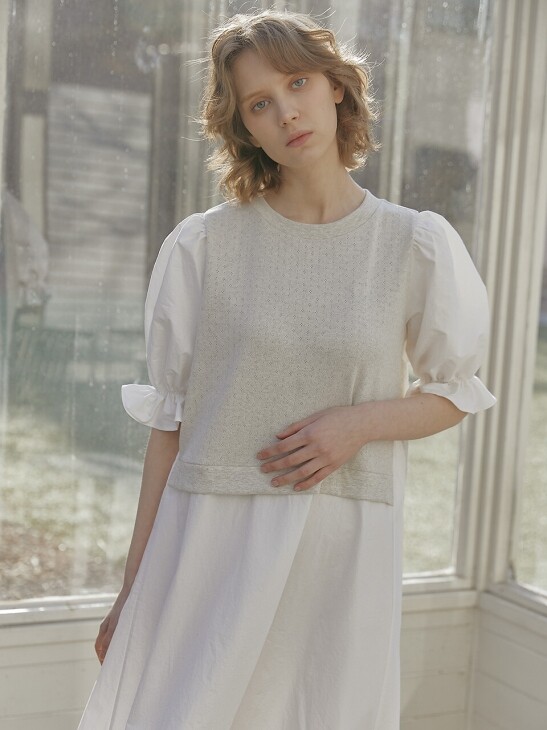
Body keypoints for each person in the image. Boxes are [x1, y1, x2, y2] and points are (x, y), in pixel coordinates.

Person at [77, 9, 496, 729]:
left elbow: (454, 393)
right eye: (258, 104)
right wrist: (131, 589)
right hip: (211, 542)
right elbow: (169, 426)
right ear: (243, 127)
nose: (286, 113)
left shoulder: (411, 243)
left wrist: (358, 424)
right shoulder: (204, 246)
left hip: (339, 547)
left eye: (297, 83)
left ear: (335, 86)